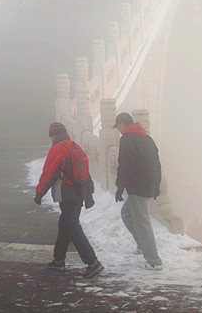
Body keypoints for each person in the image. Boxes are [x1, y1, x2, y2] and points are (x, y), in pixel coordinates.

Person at [34, 122, 103, 278]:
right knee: (65, 223)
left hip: (67, 194)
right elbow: (86, 173)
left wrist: (39, 193)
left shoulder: (58, 149)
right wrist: (88, 195)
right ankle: (58, 260)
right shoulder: (74, 146)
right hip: (78, 192)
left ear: (54, 135)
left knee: (71, 225)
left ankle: (92, 262)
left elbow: (48, 173)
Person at [113, 112, 163, 270]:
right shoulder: (146, 138)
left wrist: (120, 187)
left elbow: (125, 165)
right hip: (146, 185)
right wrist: (156, 185)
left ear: (122, 125)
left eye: (118, 127)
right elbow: (157, 164)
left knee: (143, 223)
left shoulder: (127, 139)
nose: (119, 130)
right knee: (127, 214)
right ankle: (142, 245)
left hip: (138, 187)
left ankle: (154, 261)